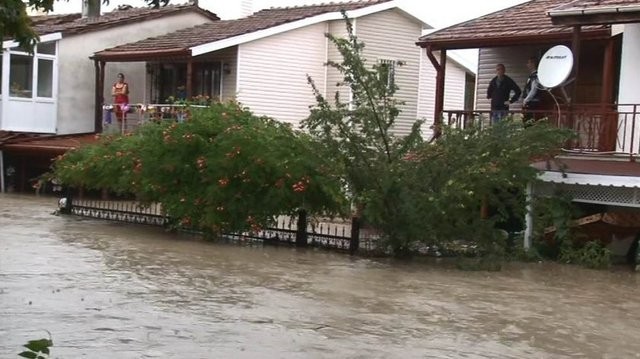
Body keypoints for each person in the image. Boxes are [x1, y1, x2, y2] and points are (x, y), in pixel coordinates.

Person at [522, 56, 543, 125]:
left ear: (533, 64)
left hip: (533, 103)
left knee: (530, 123)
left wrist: (526, 100)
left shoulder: (535, 76)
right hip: (531, 103)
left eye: (528, 63)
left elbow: (534, 90)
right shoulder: (531, 76)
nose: (527, 65)